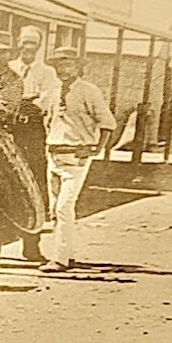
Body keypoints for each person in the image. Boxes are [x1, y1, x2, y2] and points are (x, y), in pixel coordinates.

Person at [39, 47, 116, 273]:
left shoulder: (88, 91)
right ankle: (66, 253)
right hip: (53, 153)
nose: (63, 70)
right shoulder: (53, 91)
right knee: (54, 209)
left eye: (68, 65)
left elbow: (108, 123)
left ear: (78, 67)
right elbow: (44, 117)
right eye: (59, 66)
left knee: (64, 207)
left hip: (76, 156)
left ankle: (59, 260)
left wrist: (95, 149)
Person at [8, 26, 60, 263]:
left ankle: (31, 247)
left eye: (33, 44)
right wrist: (25, 98)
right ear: (18, 43)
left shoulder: (47, 73)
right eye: (24, 42)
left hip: (31, 132)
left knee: (34, 184)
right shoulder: (10, 68)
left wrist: (23, 102)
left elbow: (45, 101)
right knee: (5, 181)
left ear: (39, 47)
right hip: (8, 129)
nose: (28, 48)